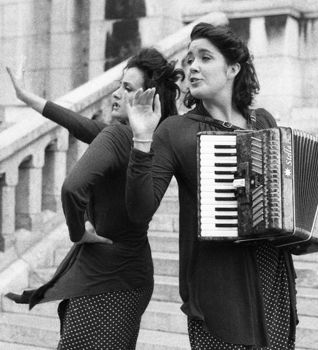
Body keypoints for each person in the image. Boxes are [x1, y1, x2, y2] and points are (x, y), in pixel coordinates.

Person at [124, 23, 318, 349]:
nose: (193, 67)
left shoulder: (265, 123)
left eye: (205, 58)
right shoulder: (175, 131)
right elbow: (139, 211)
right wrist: (142, 138)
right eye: (189, 60)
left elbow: (290, 222)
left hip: (273, 284)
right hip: (218, 293)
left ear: (233, 68)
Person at [5, 48, 184, 349]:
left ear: (148, 100)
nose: (115, 93)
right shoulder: (152, 145)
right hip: (133, 278)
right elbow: (76, 123)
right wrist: (28, 98)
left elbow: (71, 188)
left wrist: (78, 233)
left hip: (105, 278)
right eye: (119, 85)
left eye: (127, 89)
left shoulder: (118, 137)